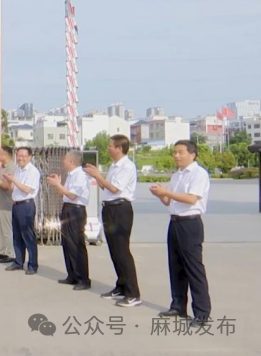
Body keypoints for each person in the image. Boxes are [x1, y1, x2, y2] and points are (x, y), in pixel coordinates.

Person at [150, 140, 211, 327]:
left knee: (193, 268)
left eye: (180, 152)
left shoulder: (199, 174)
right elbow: (170, 202)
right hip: (175, 222)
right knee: (175, 266)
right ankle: (178, 305)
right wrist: (161, 194)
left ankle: (201, 312)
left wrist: (167, 193)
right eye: (175, 152)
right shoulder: (177, 175)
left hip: (190, 224)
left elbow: (191, 199)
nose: (176, 156)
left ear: (192, 154)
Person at [85, 134, 142, 307]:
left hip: (120, 209)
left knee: (122, 251)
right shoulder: (114, 165)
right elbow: (106, 187)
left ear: (119, 148)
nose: (108, 148)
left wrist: (97, 175)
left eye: (110, 146)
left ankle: (133, 293)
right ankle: (121, 286)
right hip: (109, 208)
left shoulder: (127, 166)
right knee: (114, 250)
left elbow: (115, 189)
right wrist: (96, 177)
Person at [47, 150, 91, 290]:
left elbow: (73, 195)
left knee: (76, 244)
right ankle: (72, 275)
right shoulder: (71, 175)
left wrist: (58, 185)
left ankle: (83, 278)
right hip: (67, 208)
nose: (63, 161)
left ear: (71, 161)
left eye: (65, 159)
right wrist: (58, 184)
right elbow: (63, 194)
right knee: (67, 243)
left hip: (76, 210)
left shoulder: (80, 175)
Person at [3, 147, 41, 275]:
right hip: (16, 205)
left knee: (28, 236)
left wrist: (13, 180)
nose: (20, 158)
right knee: (17, 235)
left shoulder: (33, 171)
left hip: (26, 205)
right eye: (19, 156)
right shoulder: (18, 170)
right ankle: (18, 262)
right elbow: (14, 188)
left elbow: (26, 189)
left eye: (23, 156)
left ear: (29, 157)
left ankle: (32, 265)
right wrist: (10, 181)